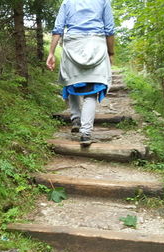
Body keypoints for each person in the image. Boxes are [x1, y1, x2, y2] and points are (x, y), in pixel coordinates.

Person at [46, 0, 115, 146]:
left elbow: (58, 29)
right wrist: (110, 52)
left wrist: (51, 53)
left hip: (73, 44)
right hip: (96, 44)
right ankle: (86, 133)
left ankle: (76, 119)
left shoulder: (67, 2)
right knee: (91, 91)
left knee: (72, 82)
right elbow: (109, 29)